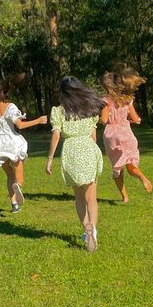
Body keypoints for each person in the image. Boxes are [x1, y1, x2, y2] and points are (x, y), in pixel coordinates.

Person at [46, 76, 105, 252]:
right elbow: (93, 135)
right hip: (88, 148)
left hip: (71, 151)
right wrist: (94, 153)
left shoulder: (58, 111)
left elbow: (56, 135)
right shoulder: (89, 109)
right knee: (91, 197)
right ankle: (92, 230)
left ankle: (86, 227)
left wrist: (49, 159)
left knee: (79, 197)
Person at [0, 80, 47, 213]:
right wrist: (39, 120)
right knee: (18, 174)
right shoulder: (11, 106)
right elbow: (19, 125)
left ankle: (14, 204)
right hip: (12, 141)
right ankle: (18, 185)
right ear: (6, 92)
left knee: (9, 175)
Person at [101, 69, 152, 203]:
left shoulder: (105, 101)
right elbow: (135, 118)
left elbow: (104, 120)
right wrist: (133, 120)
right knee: (130, 165)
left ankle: (125, 197)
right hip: (127, 134)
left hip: (112, 136)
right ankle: (142, 178)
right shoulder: (128, 100)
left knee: (117, 168)